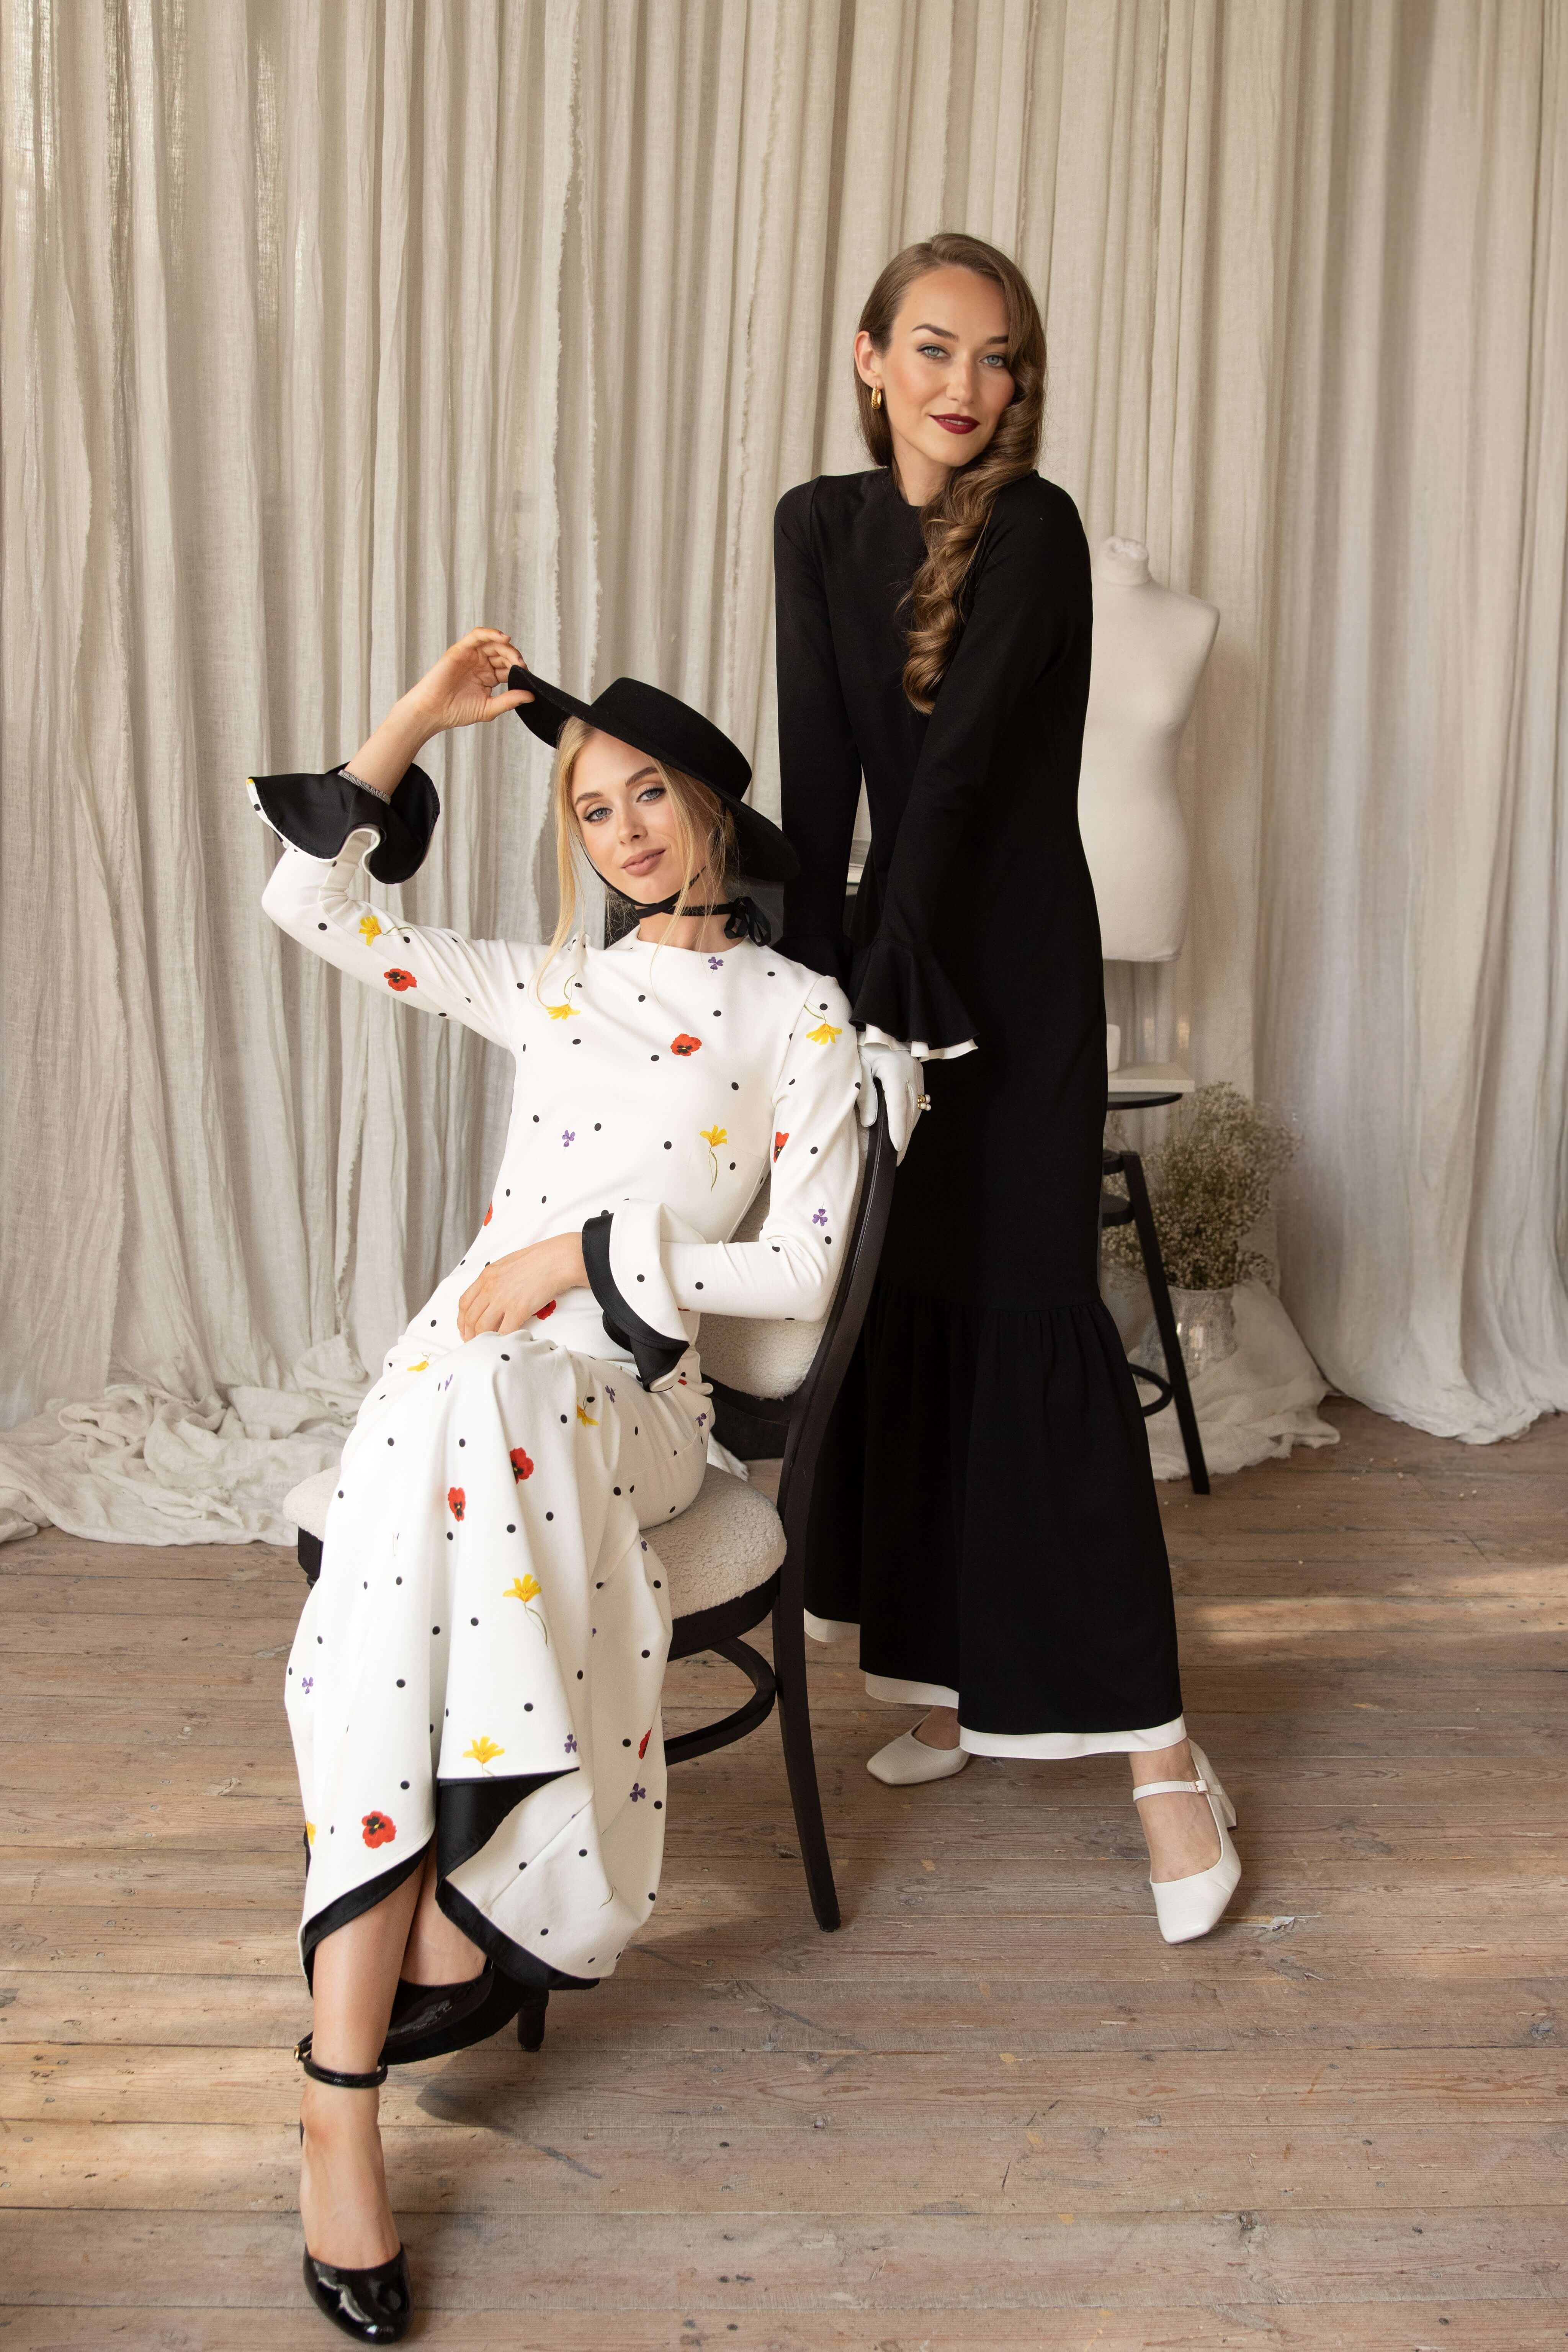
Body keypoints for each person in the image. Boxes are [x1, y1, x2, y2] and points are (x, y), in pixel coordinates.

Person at [250, 628, 860, 2342]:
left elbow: (799, 1275)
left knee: (479, 1425)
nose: (622, 832)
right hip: (452, 1392)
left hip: (630, 1402)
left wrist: (596, 1251)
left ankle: (338, 2083)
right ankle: (377, 2040)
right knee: (440, 1448)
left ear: (710, 799)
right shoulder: (548, 983)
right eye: (591, 810)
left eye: (646, 792)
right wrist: (417, 722)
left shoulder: (801, 1016)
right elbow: (309, 908)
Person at [773, 233, 1241, 1944]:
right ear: (869, 356)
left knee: (1035, 1315)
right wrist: (802, 993)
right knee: (907, 1313)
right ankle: (947, 1679)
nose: (966, 384)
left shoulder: (1033, 531)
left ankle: (1166, 1767)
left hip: (1016, 971)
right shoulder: (814, 528)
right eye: (935, 349)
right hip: (889, 968)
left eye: (997, 358)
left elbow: (960, 768)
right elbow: (823, 774)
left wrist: (894, 973)